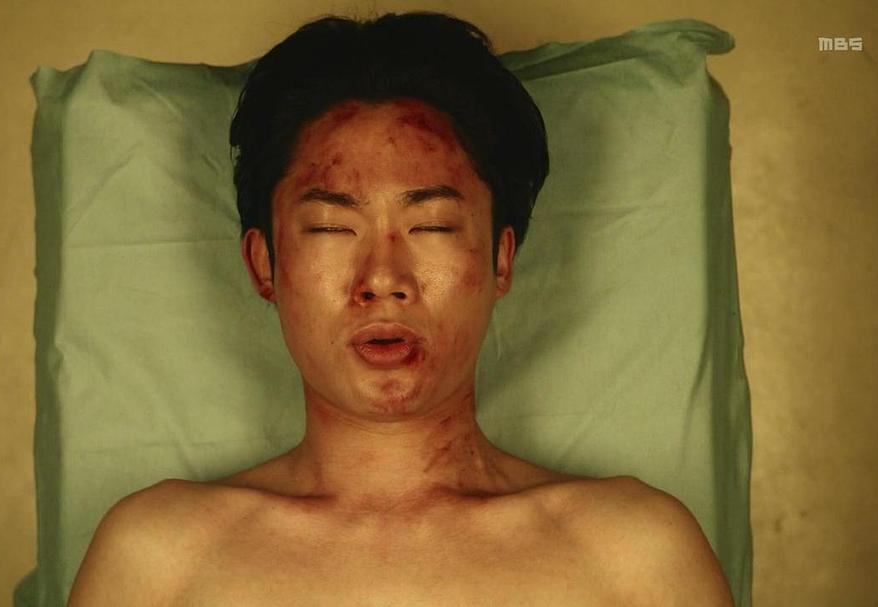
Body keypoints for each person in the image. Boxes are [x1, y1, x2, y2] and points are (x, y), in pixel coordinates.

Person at [68, 11, 734, 606]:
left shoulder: (634, 557)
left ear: (501, 259)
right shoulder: (158, 559)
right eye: (331, 228)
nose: (383, 278)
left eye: (433, 226)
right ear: (264, 263)